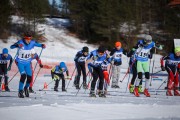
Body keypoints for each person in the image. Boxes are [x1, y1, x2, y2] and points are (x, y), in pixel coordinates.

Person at [10, 31, 46, 98]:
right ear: (25, 38)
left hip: (27, 63)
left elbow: (39, 45)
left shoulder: (32, 42)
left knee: (29, 77)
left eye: (30, 39)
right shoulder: (20, 42)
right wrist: (17, 45)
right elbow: (11, 47)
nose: (28, 41)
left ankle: (26, 88)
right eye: (27, 39)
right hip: (20, 62)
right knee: (23, 76)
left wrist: (42, 45)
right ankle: (20, 91)